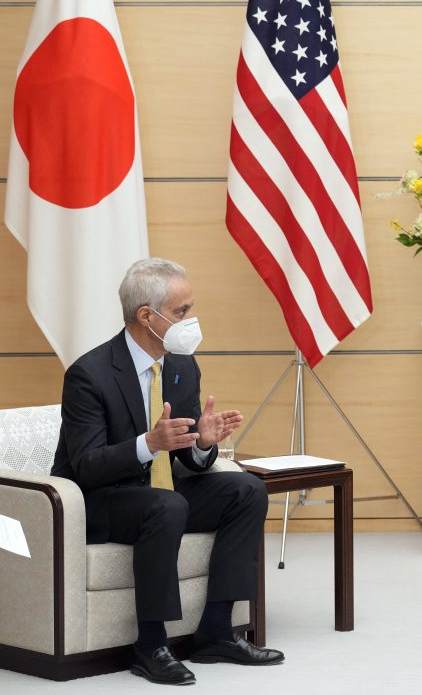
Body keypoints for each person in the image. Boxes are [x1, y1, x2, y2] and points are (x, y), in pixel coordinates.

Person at [52, 258, 284, 685]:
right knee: (166, 504)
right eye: (181, 312)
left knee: (246, 490)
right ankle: (150, 644)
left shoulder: (181, 365)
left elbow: (186, 454)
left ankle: (217, 631)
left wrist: (203, 444)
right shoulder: (89, 374)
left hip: (163, 496)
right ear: (147, 316)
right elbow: (85, 466)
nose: (190, 321)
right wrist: (148, 444)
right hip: (100, 501)